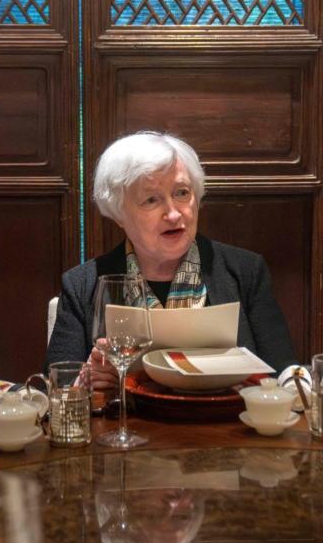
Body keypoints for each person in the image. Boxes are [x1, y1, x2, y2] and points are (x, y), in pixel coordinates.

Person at [45, 131, 298, 388]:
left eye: (182, 193)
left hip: (226, 424)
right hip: (125, 427)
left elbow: (285, 376)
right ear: (119, 214)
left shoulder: (246, 271)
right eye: (151, 199)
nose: (174, 214)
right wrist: (85, 380)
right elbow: (56, 387)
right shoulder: (82, 285)